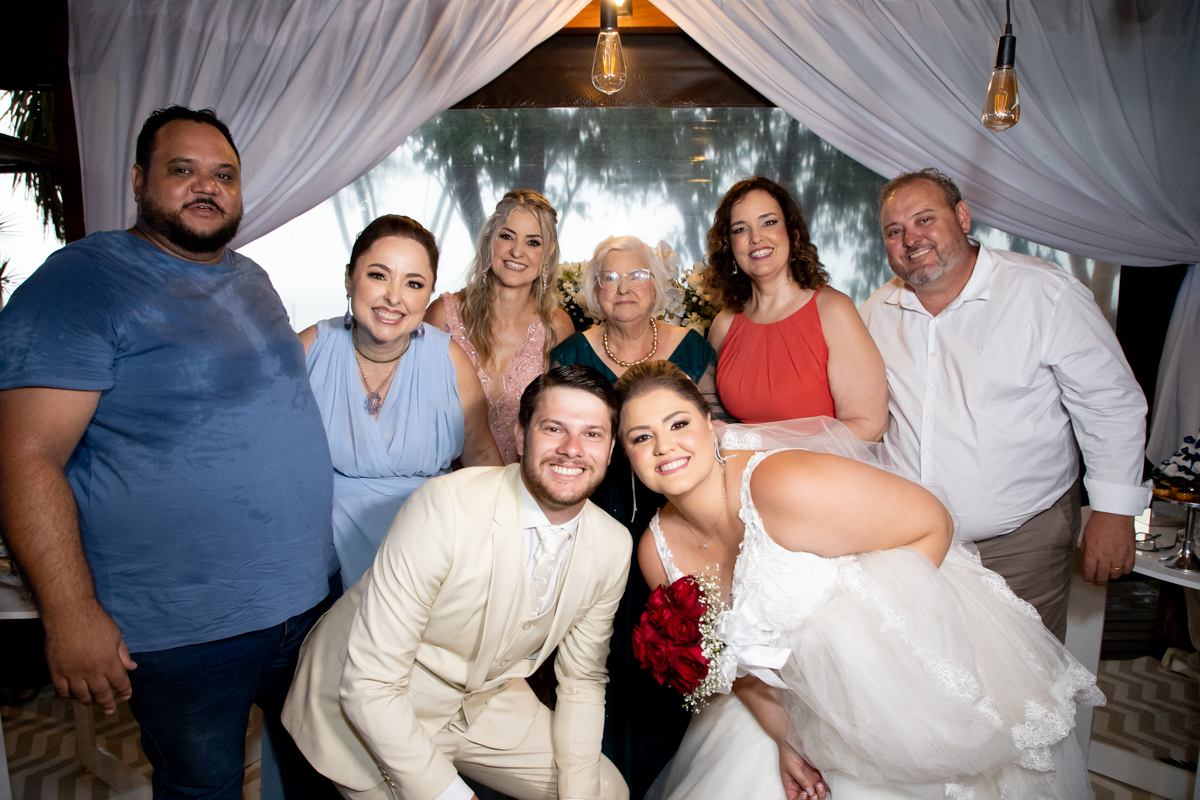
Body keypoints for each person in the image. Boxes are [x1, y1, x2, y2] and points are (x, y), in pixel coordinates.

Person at [0, 106, 339, 800]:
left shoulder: (250, 277)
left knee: (327, 776)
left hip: (306, 605)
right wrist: (70, 613)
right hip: (188, 632)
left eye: (225, 175)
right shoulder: (80, 282)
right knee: (203, 788)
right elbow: (23, 456)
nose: (207, 186)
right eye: (183, 170)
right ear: (138, 180)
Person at [616, 361, 1102, 800]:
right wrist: (787, 737)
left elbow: (932, 524)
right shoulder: (656, 551)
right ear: (626, 453)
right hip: (775, 704)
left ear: (709, 424)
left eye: (678, 424)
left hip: (891, 671)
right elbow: (731, 661)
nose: (664, 447)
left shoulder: (782, 484)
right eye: (641, 437)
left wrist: (867, 673)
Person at [282, 366, 632, 800]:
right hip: (368, 702)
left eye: (592, 434)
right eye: (553, 428)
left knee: (603, 791)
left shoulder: (613, 544)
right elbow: (370, 683)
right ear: (521, 435)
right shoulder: (446, 506)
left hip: (485, 700)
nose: (571, 449)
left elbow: (582, 680)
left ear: (611, 448)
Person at [860, 168, 1151, 641]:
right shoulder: (876, 311)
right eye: (895, 231)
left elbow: (1110, 403)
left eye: (925, 219)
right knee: (927, 672)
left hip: (1022, 542)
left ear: (962, 216)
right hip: (910, 546)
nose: (911, 239)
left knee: (1025, 675)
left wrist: (1115, 512)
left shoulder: (1045, 293)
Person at [549, 236, 728, 799]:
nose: (623, 288)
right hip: (596, 513)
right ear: (592, 290)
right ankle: (602, 776)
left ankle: (673, 770)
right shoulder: (569, 353)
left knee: (675, 639)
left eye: (637, 275)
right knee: (599, 648)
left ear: (658, 285)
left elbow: (713, 425)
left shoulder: (691, 347)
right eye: (609, 277)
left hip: (677, 517)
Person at [301, 214, 503, 589]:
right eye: (379, 275)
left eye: (413, 283)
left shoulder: (450, 362)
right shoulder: (309, 349)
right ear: (349, 278)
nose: (394, 297)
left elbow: (483, 462)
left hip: (429, 555)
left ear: (429, 294)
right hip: (319, 560)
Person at [704, 177, 887, 440]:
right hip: (742, 466)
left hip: (822, 465)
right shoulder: (724, 324)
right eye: (740, 229)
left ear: (791, 231)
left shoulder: (833, 310)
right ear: (729, 245)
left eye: (769, 222)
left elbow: (869, 424)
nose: (756, 238)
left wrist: (769, 449)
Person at [426, 190, 575, 465]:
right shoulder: (443, 315)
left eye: (533, 242)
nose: (517, 251)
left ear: (549, 252)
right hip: (443, 478)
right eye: (507, 236)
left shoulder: (557, 327)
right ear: (489, 240)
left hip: (521, 483)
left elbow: (564, 425)